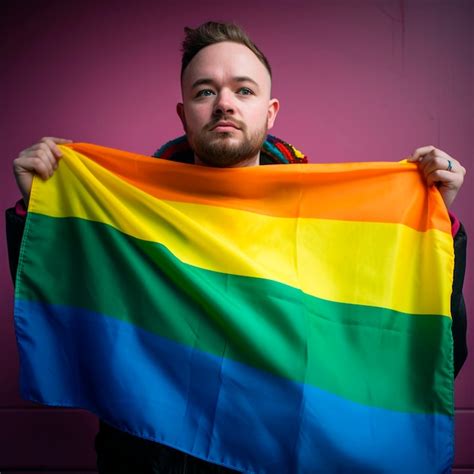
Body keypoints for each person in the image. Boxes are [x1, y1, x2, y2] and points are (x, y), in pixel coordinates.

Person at [6, 21, 468, 474]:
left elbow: (413, 345)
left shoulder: (329, 224)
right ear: (184, 114)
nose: (224, 103)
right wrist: (39, 209)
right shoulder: (126, 213)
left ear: (269, 113)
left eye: (243, 90)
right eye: (205, 91)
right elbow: (71, 311)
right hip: (154, 460)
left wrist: (432, 226)